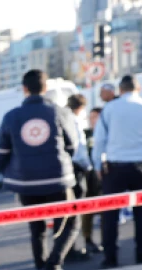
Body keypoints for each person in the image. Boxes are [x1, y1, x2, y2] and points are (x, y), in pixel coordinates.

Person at [0, 69, 81, 270]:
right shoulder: (59, 112)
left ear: (24, 89)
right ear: (45, 88)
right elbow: (72, 146)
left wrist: (11, 172)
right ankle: (53, 267)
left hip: (26, 183)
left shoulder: (11, 116)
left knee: (37, 228)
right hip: (58, 180)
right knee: (69, 224)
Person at [92, 75, 142, 269]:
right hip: (138, 166)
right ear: (138, 87)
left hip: (115, 167)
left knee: (110, 216)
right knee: (141, 214)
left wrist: (98, 166)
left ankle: (111, 258)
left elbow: (99, 140)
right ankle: (141, 255)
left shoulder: (109, 108)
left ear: (120, 89)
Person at [65, 94, 95, 261]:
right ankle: (71, 249)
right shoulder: (74, 121)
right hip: (76, 169)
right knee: (75, 211)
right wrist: (89, 167)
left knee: (67, 211)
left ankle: (68, 248)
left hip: (66, 169)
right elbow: (79, 148)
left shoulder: (62, 118)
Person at [81, 107, 105, 254]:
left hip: (105, 175)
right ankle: (88, 240)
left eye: (96, 117)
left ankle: (107, 239)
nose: (93, 120)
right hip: (89, 177)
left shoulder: (108, 133)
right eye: (91, 117)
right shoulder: (85, 134)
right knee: (87, 210)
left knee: (106, 210)